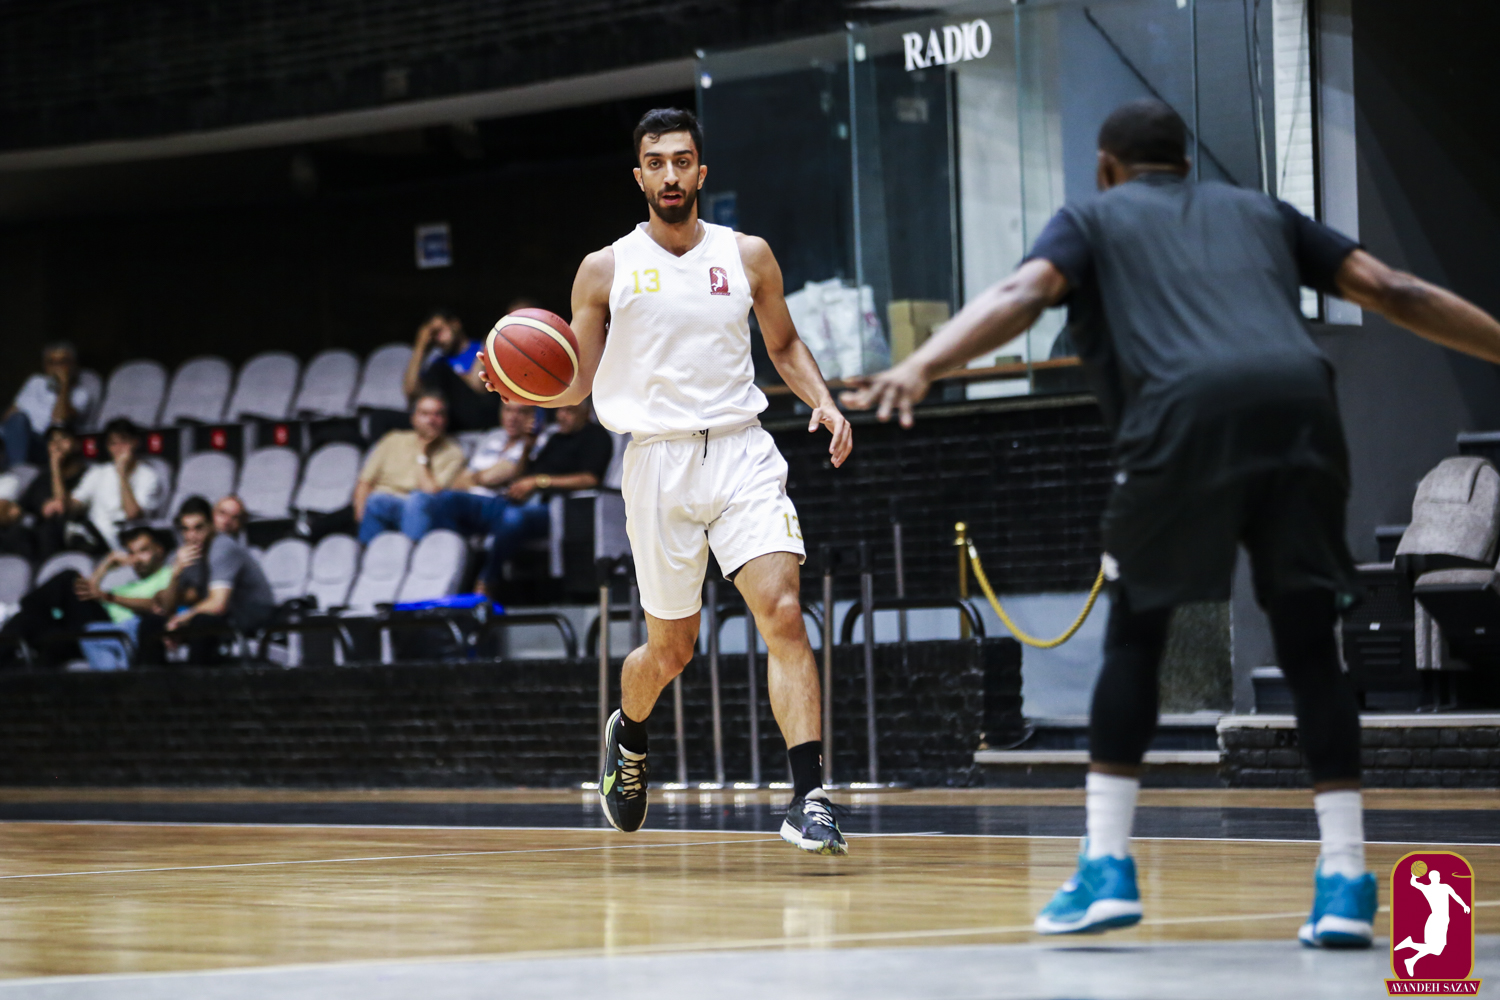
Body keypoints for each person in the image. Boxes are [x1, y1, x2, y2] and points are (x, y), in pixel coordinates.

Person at [843, 98, 1500, 946]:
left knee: (1138, 635)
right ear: (1186, 163)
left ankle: (1107, 866)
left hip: (1180, 417)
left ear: (1106, 168)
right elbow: (1393, 288)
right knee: (1309, 647)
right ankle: (1344, 878)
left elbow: (1022, 291)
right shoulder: (1263, 212)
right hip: (1299, 411)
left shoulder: (1093, 217)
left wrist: (925, 364)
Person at [481, 108, 853, 854]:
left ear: (701, 172)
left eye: (683, 161)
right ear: (639, 176)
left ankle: (808, 798)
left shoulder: (747, 256)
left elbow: (783, 345)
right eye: (657, 163)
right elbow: (576, 380)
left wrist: (826, 401)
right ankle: (629, 732)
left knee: (783, 611)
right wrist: (518, 385)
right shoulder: (605, 269)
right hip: (655, 463)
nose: (671, 175)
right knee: (672, 650)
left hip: (742, 451)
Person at [430, 400, 611, 594]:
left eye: (569, 411)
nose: (561, 416)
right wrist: (527, 448)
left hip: (557, 508)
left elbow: (589, 479)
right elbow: (523, 474)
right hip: (517, 500)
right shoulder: (556, 438)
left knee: (513, 518)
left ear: (586, 413)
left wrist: (539, 482)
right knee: (447, 500)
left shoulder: (595, 436)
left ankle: (487, 580)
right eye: (559, 410)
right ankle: (442, 578)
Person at [0, 525, 173, 669]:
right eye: (132, 553)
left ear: (159, 550)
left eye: (143, 551)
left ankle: (19, 606)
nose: (136, 559)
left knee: (69, 578)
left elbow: (157, 605)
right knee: (27, 620)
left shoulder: (168, 575)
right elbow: (89, 591)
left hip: (110, 633)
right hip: (85, 632)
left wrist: (108, 597)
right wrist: (105, 566)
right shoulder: (127, 582)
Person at [143, 496, 276, 664]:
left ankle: (197, 680)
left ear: (211, 524)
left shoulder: (223, 546)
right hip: (223, 617)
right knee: (152, 623)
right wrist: (175, 574)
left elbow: (218, 604)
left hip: (252, 615)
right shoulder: (186, 553)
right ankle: (150, 680)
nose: (192, 536)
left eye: (198, 528)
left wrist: (182, 619)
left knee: (202, 621)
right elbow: (166, 607)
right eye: (186, 529)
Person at [353, 391, 465, 545]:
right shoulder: (392, 440)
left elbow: (432, 492)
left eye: (438, 414)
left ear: (445, 420)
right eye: (425, 414)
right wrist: (360, 517)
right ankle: (367, 550)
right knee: (375, 500)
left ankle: (409, 552)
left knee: (417, 500)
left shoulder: (453, 452)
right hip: (385, 503)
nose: (431, 420)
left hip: (422, 509)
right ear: (413, 418)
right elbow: (364, 482)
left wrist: (423, 454)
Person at [66, 418, 163, 554]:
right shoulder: (98, 472)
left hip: (127, 537)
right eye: (113, 444)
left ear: (135, 442)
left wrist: (122, 474)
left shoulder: (149, 476)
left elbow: (133, 514)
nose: (118, 449)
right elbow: (74, 504)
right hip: (95, 535)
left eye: (123, 442)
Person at [0, 423, 89, 560]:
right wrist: (14, 511)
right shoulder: (43, 477)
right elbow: (21, 508)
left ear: (77, 443)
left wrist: (55, 465)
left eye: (63, 438)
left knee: (48, 530)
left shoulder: (86, 475)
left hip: (69, 532)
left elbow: (62, 508)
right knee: (13, 533)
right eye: (52, 440)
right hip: (35, 536)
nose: (57, 444)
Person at [1, 341, 94, 470]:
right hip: (15, 438)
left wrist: (64, 386)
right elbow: (11, 413)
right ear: (45, 366)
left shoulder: (81, 394)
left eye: (63, 362)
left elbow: (60, 420)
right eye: (52, 362)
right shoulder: (35, 382)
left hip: (45, 445)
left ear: (74, 365)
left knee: (19, 419)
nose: (57, 367)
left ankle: (18, 472)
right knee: (17, 420)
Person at [401, 309, 495, 431]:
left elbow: (478, 386)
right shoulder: (439, 362)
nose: (437, 339)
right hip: (448, 418)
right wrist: (421, 346)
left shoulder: (480, 348)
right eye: (433, 335)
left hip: (480, 415)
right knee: (382, 418)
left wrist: (487, 345)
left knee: (440, 370)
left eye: (438, 331)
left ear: (455, 324)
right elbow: (411, 391)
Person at [1394, 869, 1471, 976]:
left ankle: (1411, 959)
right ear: (1437, 877)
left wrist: (1414, 876)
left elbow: (1413, 883)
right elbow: (1455, 896)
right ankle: (1409, 945)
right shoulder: (1443, 887)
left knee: (1436, 949)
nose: (1438, 878)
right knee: (1436, 949)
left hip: (1436, 919)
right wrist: (1464, 906)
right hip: (1439, 920)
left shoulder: (1428, 888)